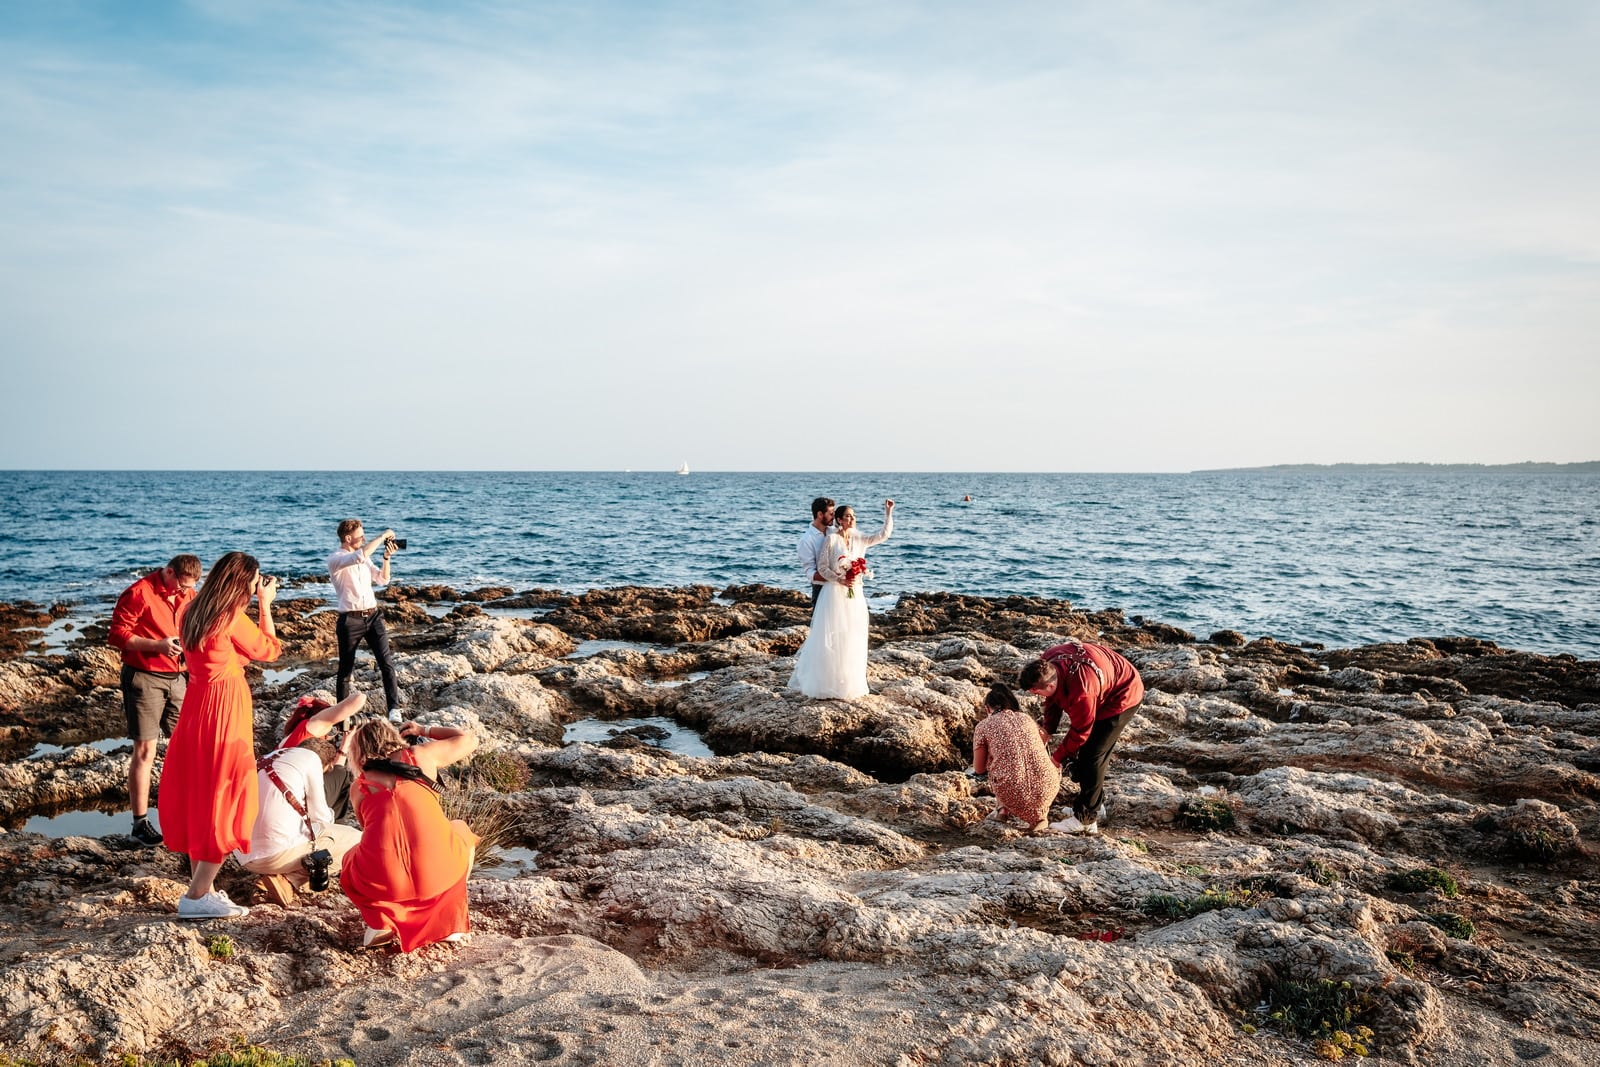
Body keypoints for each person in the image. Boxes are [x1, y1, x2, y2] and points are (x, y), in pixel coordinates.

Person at [159, 552, 281, 919]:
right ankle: (195, 897)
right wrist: (266, 605)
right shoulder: (231, 618)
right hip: (224, 711)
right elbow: (269, 650)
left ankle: (205, 890)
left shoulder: (191, 612)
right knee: (226, 795)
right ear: (242, 581)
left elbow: (222, 655)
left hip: (196, 708)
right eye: (254, 580)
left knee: (203, 795)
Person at [340, 717, 479, 951]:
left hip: (387, 882)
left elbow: (377, 833)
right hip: (438, 870)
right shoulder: (420, 756)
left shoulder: (360, 787)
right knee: (460, 829)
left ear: (359, 752)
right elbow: (469, 739)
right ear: (393, 737)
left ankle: (380, 923)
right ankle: (448, 916)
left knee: (350, 858)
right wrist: (424, 729)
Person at [108, 554, 201, 846]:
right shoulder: (139, 592)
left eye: (189, 588)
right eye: (180, 586)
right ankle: (140, 824)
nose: (184, 592)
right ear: (169, 572)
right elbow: (117, 636)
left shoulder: (189, 591)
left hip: (180, 677)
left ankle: (186, 814)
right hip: (144, 677)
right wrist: (158, 646)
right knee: (146, 750)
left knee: (185, 747)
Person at [1019, 641, 1145, 835]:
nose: (1036, 696)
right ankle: (1095, 804)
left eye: (1036, 692)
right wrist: (1048, 729)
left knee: (1092, 755)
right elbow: (1051, 699)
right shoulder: (1049, 660)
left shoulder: (1082, 691)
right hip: (1104, 681)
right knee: (1087, 754)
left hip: (1122, 696)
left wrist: (1056, 759)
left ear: (1050, 684)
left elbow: (1080, 732)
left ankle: (1086, 819)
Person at [788, 499, 894, 699]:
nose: (852, 519)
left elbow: (882, 535)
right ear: (824, 516)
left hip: (853, 595)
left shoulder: (851, 536)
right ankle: (824, 681)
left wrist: (888, 512)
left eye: (853, 516)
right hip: (826, 591)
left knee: (851, 635)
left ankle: (848, 680)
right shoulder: (810, 540)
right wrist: (840, 579)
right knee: (826, 636)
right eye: (832, 513)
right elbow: (813, 571)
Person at [238, 737, 362, 906]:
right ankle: (289, 880)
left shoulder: (265, 758)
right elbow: (321, 816)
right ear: (327, 765)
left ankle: (275, 877)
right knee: (358, 840)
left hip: (243, 856)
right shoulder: (311, 759)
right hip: (276, 854)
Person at [327, 519, 402, 724]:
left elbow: (382, 580)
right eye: (361, 536)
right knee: (345, 669)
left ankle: (394, 709)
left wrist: (387, 557)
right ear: (348, 538)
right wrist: (382, 536)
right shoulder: (336, 559)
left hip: (373, 616)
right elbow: (359, 556)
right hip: (350, 621)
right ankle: (342, 716)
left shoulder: (363, 559)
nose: (364, 538)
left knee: (386, 663)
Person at [971, 683, 1061, 833]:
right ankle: (1040, 818)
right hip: (1048, 787)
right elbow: (1044, 739)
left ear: (988, 708)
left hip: (1012, 790)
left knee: (997, 763)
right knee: (1024, 759)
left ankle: (1002, 811)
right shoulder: (1026, 718)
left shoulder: (983, 726)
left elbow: (978, 769)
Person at [280, 691, 367, 823]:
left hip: (287, 792)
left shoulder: (295, 735)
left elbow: (335, 771)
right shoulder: (312, 725)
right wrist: (323, 706)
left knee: (338, 773)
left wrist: (345, 743)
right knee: (343, 775)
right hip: (294, 793)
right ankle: (336, 826)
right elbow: (360, 698)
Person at [797, 496, 835, 604]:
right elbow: (810, 572)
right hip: (821, 590)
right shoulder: (806, 540)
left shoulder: (834, 532)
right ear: (820, 514)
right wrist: (836, 578)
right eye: (831, 514)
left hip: (838, 588)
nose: (834, 517)